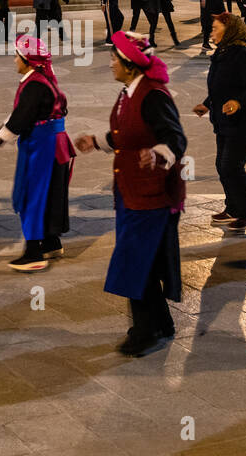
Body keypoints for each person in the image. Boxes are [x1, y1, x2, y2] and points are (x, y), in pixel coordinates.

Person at [73, 32, 186, 358]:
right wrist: (98, 142)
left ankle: (145, 332)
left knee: (134, 261)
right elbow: (128, 132)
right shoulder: (130, 92)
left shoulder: (153, 96)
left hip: (151, 194)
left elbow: (175, 138)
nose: (110, 63)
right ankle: (161, 324)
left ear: (130, 65)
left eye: (114, 59)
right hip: (131, 190)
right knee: (142, 261)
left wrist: (158, 154)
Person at [0, 34, 75, 272]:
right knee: (52, 192)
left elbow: (22, 117)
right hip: (54, 143)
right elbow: (22, 112)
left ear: (27, 60)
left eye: (17, 56)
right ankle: (51, 242)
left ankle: (34, 253)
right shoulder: (41, 78)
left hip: (42, 145)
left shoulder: (34, 84)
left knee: (33, 194)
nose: (14, 60)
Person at [192, 13, 246, 231]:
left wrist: (237, 102)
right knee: (222, 165)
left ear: (229, 29)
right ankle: (233, 208)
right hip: (225, 119)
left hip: (244, 119)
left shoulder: (242, 54)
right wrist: (207, 103)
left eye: (215, 28)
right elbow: (221, 85)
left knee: (231, 166)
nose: (211, 31)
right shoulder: (223, 52)